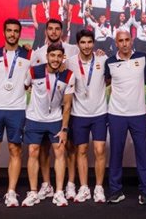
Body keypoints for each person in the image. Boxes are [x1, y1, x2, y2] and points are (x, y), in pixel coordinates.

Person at [0, 19, 33, 208]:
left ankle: (11, 192)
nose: (12, 34)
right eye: (9, 31)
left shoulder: (29, 54)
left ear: (20, 33)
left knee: (15, 150)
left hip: (17, 109)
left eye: (16, 31)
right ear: (4, 32)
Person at [29, 19, 79, 200]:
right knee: (43, 149)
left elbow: (86, 58)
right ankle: (45, 185)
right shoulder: (38, 53)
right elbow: (29, 77)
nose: (53, 32)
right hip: (43, 113)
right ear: (46, 31)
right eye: (50, 29)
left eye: (57, 29)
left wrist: (99, 52)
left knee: (69, 147)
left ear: (62, 31)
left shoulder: (72, 49)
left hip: (66, 107)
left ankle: (70, 185)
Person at [22, 43, 75, 207]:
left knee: (59, 151)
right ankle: (32, 192)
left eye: (59, 56)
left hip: (55, 119)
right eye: (53, 56)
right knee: (33, 151)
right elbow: (24, 86)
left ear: (62, 58)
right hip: (34, 119)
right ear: (47, 57)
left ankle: (59, 192)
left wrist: (65, 129)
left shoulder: (68, 75)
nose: (56, 59)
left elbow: (67, 106)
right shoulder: (34, 71)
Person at [104, 30, 146, 204]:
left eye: (127, 40)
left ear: (131, 41)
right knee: (115, 154)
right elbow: (105, 81)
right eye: (120, 41)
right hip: (116, 114)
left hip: (138, 114)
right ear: (116, 43)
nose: (124, 43)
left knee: (143, 154)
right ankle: (116, 191)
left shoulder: (143, 58)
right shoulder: (109, 62)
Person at [65, 30, 109, 203]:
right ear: (78, 44)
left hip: (99, 113)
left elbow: (109, 79)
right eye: (83, 42)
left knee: (99, 150)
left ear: (94, 43)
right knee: (81, 151)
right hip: (79, 114)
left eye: (89, 42)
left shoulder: (102, 60)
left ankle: (98, 188)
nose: (86, 46)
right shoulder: (69, 63)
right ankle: (83, 187)